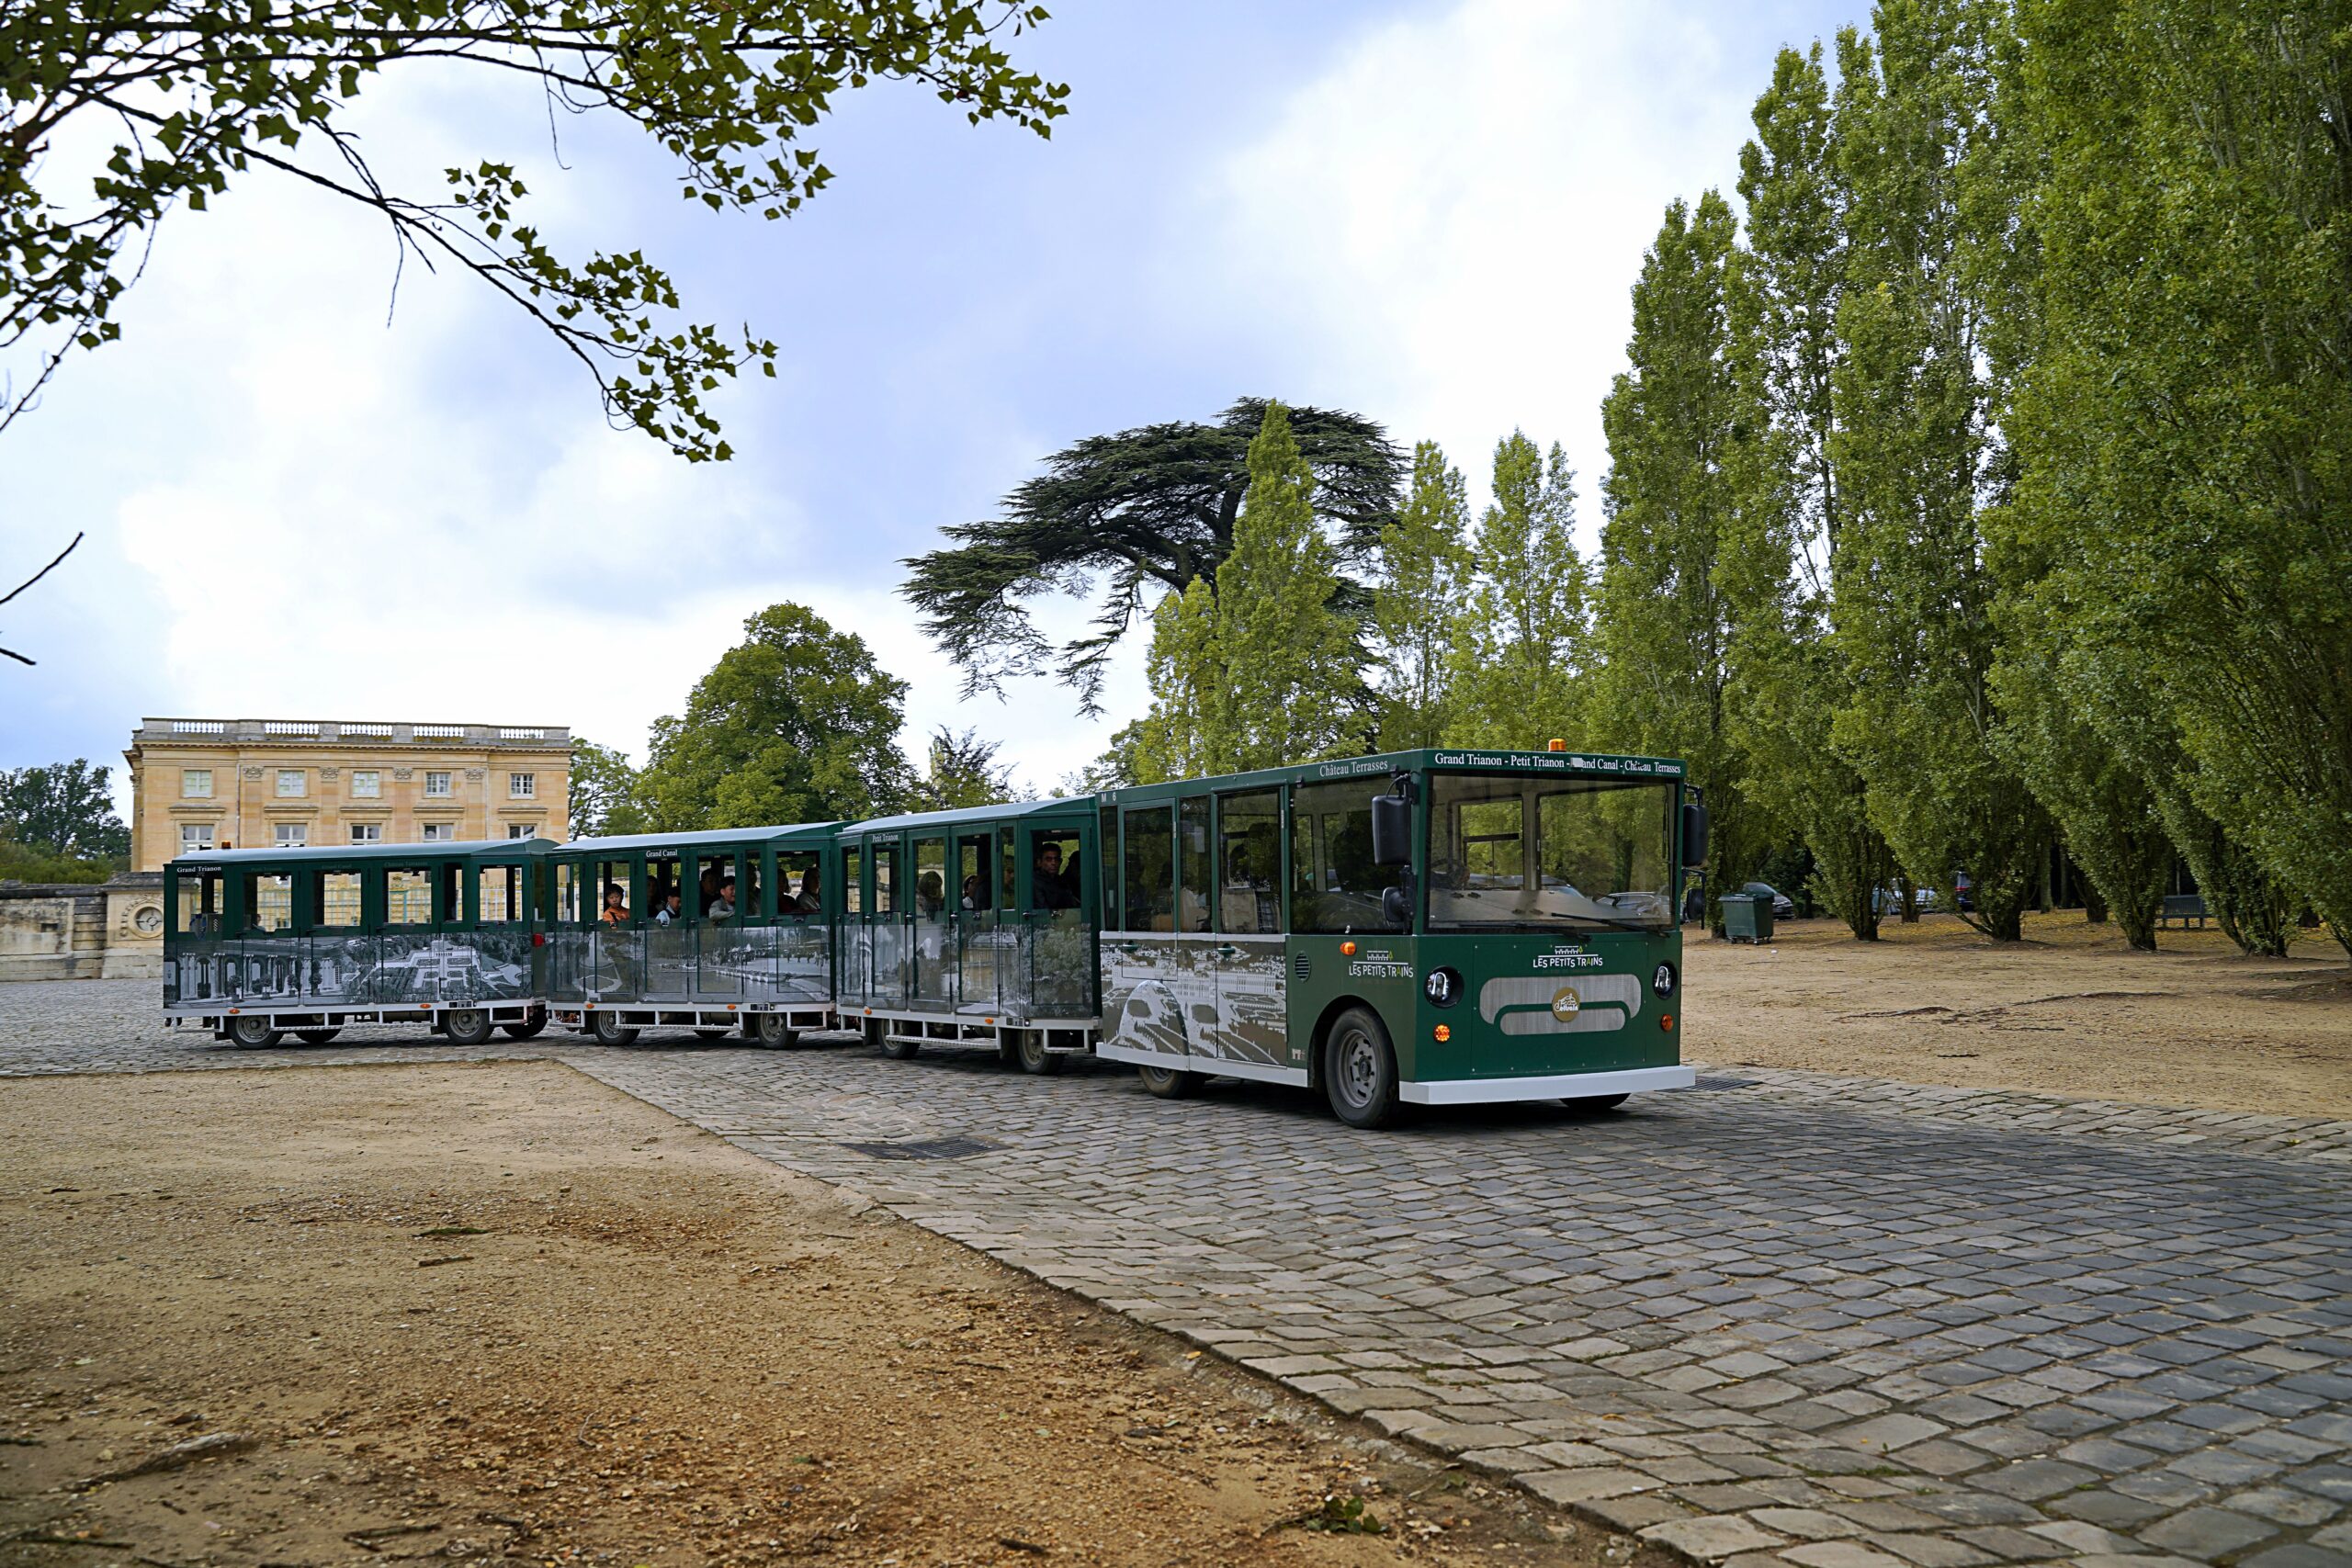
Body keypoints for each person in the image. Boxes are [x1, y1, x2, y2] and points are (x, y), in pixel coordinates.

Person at [1033, 841, 1077, 910]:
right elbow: (1043, 909)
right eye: (1048, 859)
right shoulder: (1035, 882)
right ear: (1039, 862)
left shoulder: (1061, 881)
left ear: (1061, 861)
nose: (1053, 863)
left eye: (1056, 859)